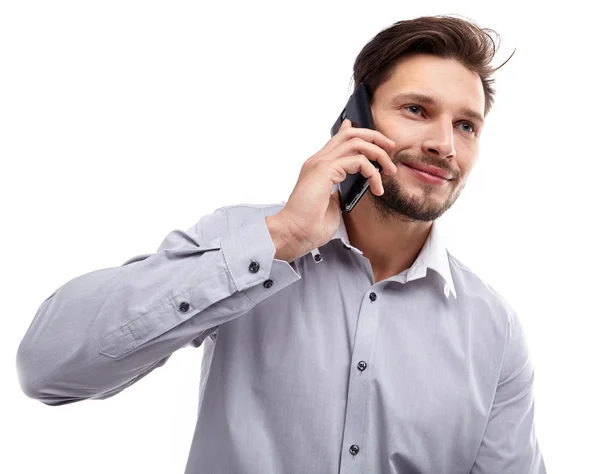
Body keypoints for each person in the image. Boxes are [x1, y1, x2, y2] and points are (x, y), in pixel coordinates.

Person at [16, 14, 546, 474]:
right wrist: (279, 239)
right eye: (416, 110)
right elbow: (47, 368)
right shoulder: (243, 242)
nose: (443, 144)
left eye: (466, 126)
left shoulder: (493, 331)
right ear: (355, 120)